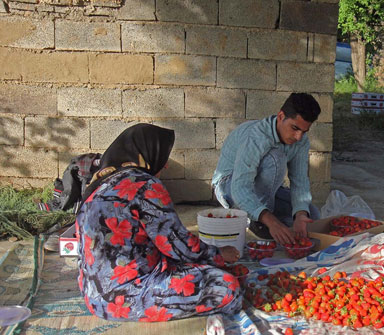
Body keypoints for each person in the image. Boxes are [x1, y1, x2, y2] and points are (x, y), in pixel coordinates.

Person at [75, 123, 243, 322]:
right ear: (147, 153)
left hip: (93, 295)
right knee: (227, 287)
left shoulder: (101, 183)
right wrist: (219, 254)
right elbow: (177, 245)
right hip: (123, 299)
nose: (166, 165)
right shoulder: (144, 185)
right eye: (163, 156)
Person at [212, 93, 321, 245]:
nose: (298, 137)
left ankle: (257, 213)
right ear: (281, 116)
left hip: (264, 189)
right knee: (275, 159)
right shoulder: (256, 137)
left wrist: (300, 214)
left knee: (312, 215)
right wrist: (272, 223)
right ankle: (257, 220)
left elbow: (300, 180)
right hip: (229, 186)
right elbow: (240, 186)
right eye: (295, 128)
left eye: (304, 131)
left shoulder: (301, 141)